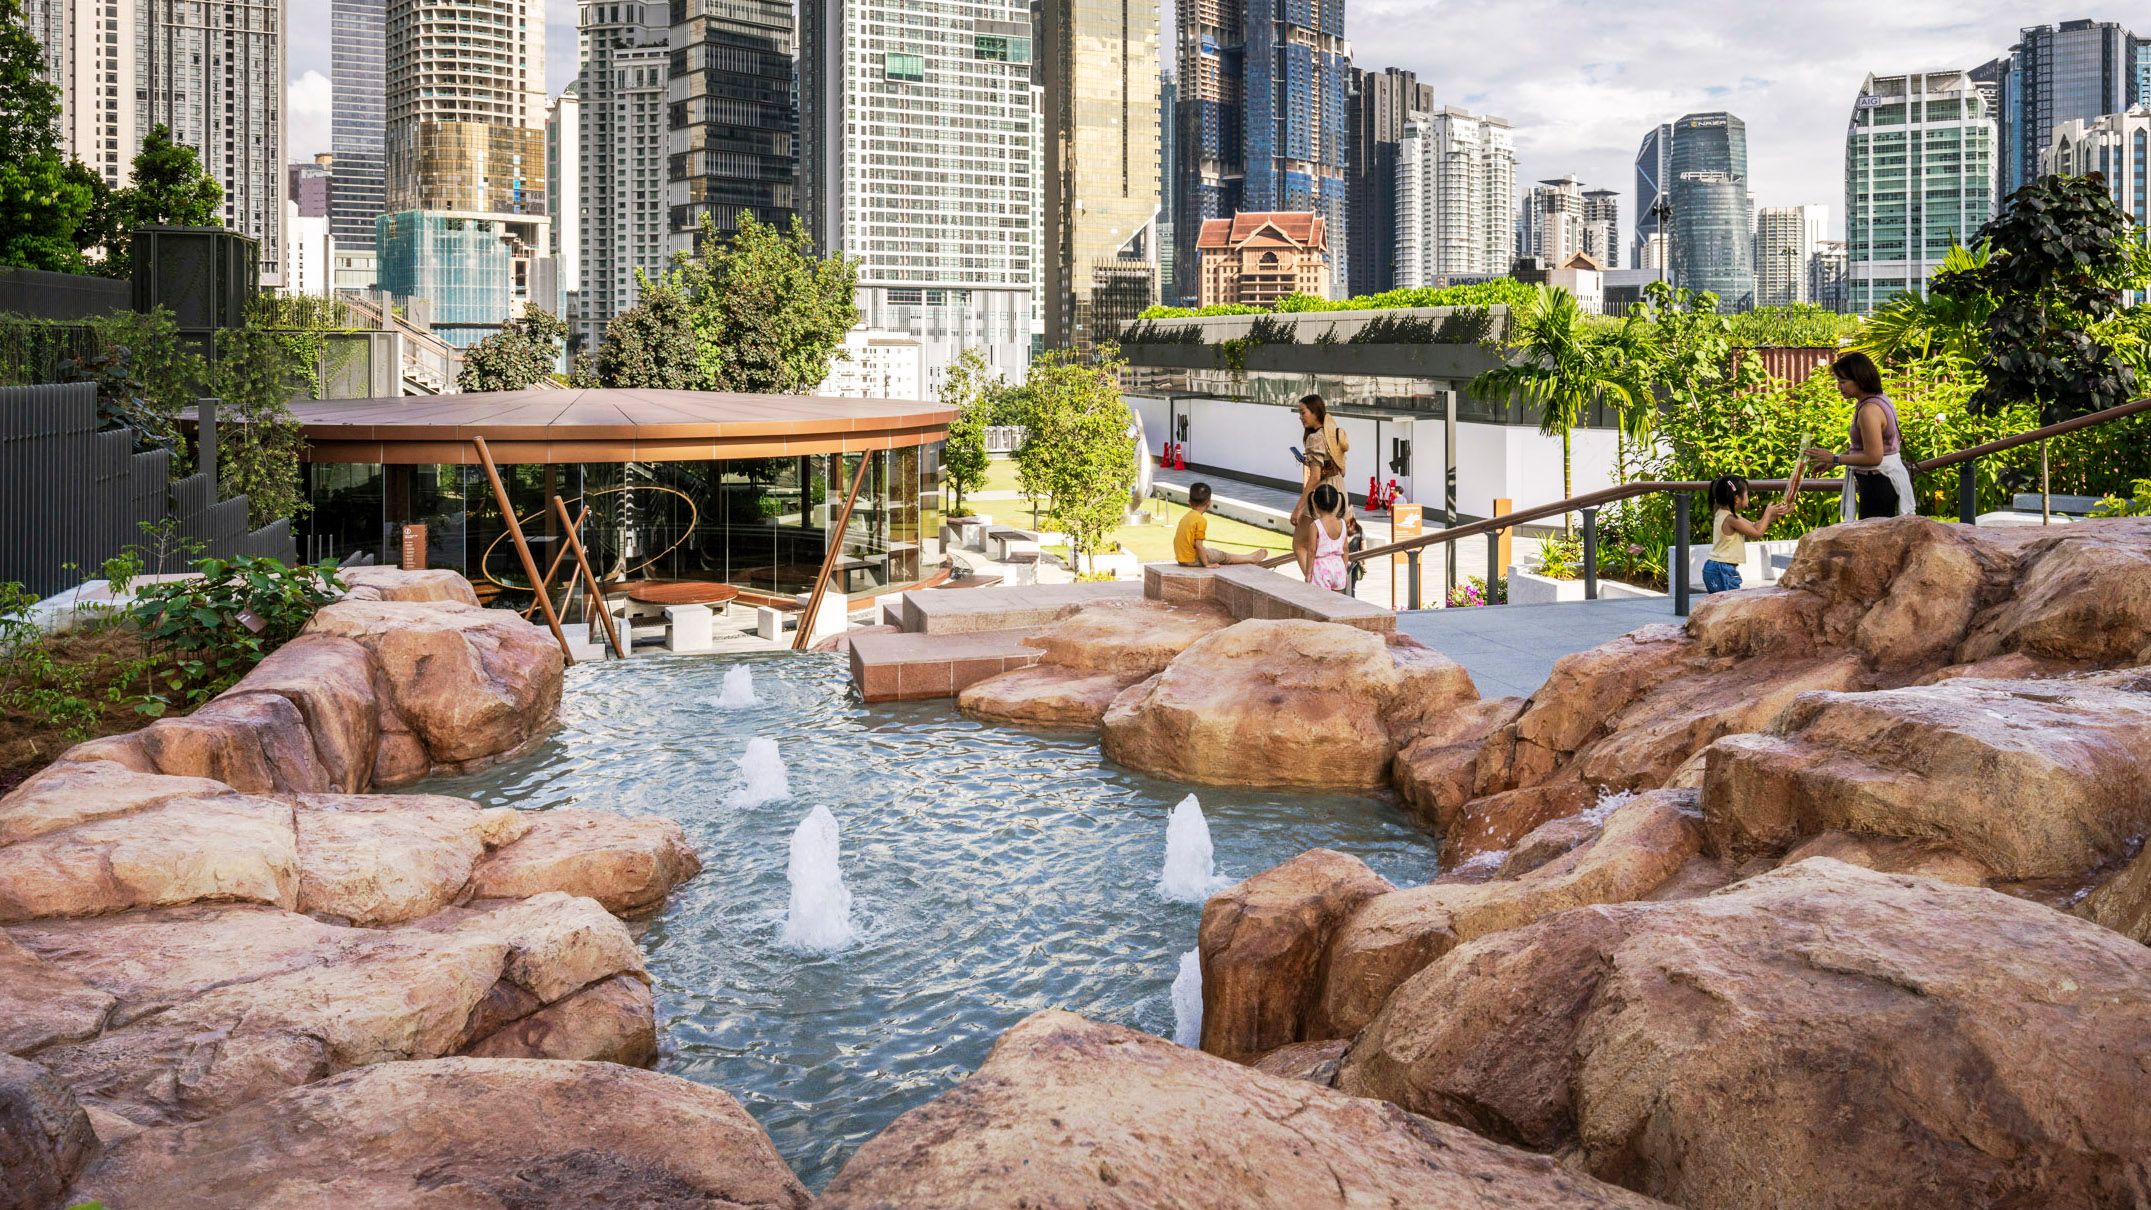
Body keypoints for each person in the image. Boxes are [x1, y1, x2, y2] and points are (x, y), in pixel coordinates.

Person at [1805, 351, 1916, 521]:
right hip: (1880, 481)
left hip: (1879, 483)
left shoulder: (1869, 410)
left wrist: (1835, 458)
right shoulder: (1877, 399)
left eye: (1843, 382)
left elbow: (1874, 457)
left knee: (1874, 541)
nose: (1839, 387)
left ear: (1859, 379)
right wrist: (1834, 461)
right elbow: (1865, 447)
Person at [1290, 394, 1349, 577]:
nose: (1301, 417)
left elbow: (1315, 477)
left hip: (1321, 493)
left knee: (1300, 544)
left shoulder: (1314, 438)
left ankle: (1315, 583)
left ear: (1315, 412)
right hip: (1339, 492)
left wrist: (1298, 508)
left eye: (1303, 412)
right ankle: (1334, 580)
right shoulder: (1333, 434)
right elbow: (1342, 469)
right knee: (1334, 546)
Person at [1703, 475, 1788, 593]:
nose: (1748, 498)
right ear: (1737, 498)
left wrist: (1774, 515)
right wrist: (1768, 513)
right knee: (1729, 605)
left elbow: (1754, 526)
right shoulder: (1730, 519)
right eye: (1747, 494)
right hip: (1722, 569)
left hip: (1718, 567)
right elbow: (1757, 533)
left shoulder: (1724, 513)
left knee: (1723, 605)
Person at [1174, 482, 1268, 567]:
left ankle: (1249, 557)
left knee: (1210, 551)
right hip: (1191, 560)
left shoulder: (1186, 517)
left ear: (1189, 502)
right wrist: (1207, 564)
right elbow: (1198, 545)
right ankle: (1251, 558)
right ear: (1208, 503)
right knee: (1222, 556)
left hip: (1182, 559)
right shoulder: (1200, 520)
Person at [1307, 483, 1351, 592]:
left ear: (1315, 504)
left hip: (1321, 569)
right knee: (1336, 604)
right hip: (1338, 565)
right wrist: (1343, 568)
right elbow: (1345, 549)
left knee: (1322, 605)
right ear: (1336, 504)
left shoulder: (1315, 525)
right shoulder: (1342, 523)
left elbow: (1311, 551)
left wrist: (1308, 573)